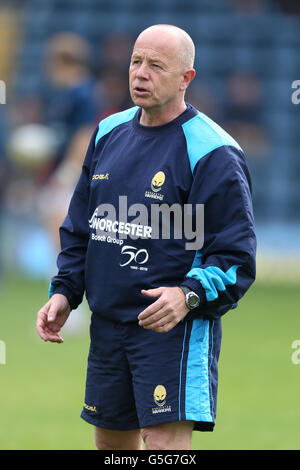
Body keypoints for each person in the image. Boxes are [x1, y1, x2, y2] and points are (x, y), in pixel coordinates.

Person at [36, 24, 256, 450]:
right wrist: (65, 290)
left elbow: (235, 257)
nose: (140, 73)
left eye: (156, 65)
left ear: (185, 78)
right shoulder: (106, 133)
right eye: (136, 61)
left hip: (171, 330)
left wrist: (187, 294)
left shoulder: (213, 151)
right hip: (108, 325)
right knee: (112, 450)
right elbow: (83, 227)